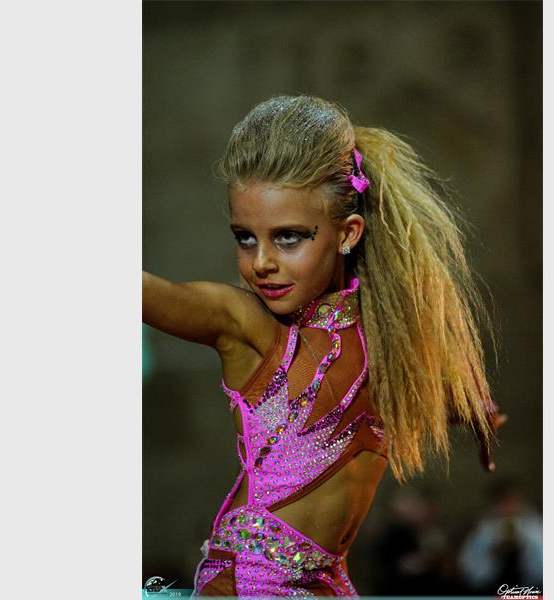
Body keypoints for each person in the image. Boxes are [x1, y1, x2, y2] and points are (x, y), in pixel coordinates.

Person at [142, 94, 507, 597]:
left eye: (288, 237)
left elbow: (402, 398)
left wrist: (471, 412)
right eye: (245, 237)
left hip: (329, 585)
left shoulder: (387, 340)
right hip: (247, 586)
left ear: (348, 233)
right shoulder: (247, 326)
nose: (261, 262)